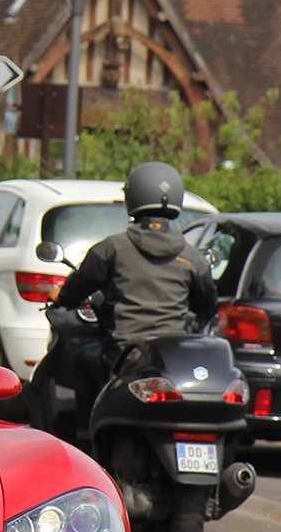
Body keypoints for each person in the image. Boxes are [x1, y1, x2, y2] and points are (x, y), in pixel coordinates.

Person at [52, 161, 217, 434]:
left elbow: (77, 288)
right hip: (170, 359)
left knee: (82, 360)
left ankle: (86, 435)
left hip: (122, 355)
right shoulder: (192, 257)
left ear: (133, 197)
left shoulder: (113, 248)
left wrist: (60, 295)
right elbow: (206, 305)